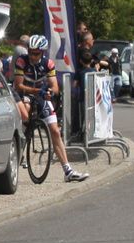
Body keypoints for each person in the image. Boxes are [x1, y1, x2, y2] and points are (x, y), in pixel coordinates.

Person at [14, 34, 88, 182]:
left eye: (36, 53)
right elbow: (19, 85)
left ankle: (68, 171)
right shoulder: (22, 61)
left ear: (42, 52)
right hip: (23, 94)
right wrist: (36, 91)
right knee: (25, 114)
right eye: (30, 52)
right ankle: (21, 138)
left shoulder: (48, 64)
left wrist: (50, 93)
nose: (32, 56)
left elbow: (54, 87)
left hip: (40, 95)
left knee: (54, 130)